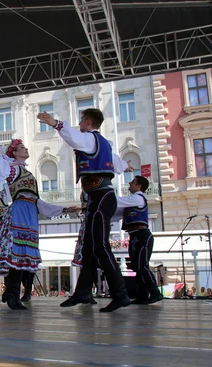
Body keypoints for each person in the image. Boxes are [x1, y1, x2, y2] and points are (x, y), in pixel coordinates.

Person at [38, 108, 132, 312]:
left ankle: (120, 294)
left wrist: (55, 123)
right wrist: (126, 166)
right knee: (89, 248)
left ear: (88, 122)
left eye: (81, 120)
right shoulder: (104, 143)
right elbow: (116, 163)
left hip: (100, 197)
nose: (79, 124)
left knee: (100, 246)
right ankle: (82, 292)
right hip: (101, 198)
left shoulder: (89, 139)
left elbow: (74, 138)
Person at [0, 139, 73, 310]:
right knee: (18, 253)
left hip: (30, 214)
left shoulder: (27, 173)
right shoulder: (12, 170)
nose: (26, 148)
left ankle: (13, 295)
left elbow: (39, 202)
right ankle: (13, 295)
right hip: (20, 213)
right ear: (15, 153)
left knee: (23, 255)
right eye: (22, 147)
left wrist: (64, 209)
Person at [113, 176, 163, 305]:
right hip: (135, 236)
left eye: (133, 182)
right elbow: (117, 212)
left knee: (142, 266)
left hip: (142, 235)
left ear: (139, 186)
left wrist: (105, 195)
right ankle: (142, 295)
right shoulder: (132, 202)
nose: (129, 183)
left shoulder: (138, 198)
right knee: (137, 267)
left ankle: (155, 293)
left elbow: (118, 201)